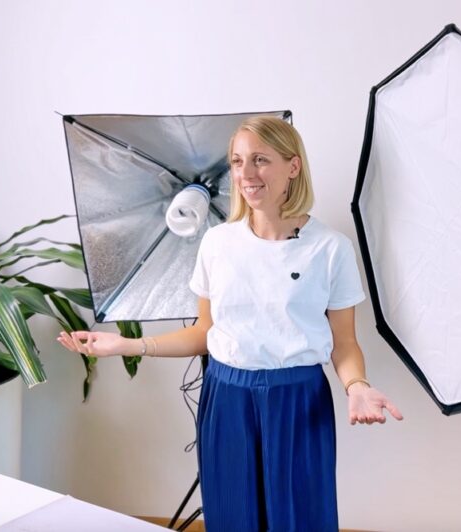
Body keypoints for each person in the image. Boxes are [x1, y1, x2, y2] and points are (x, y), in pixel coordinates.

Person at [57, 116, 403, 531]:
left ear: (293, 166)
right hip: (225, 396)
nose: (246, 174)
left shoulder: (330, 250)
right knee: (232, 517)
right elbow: (204, 333)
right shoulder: (216, 243)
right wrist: (124, 345)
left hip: (297, 397)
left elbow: (343, 343)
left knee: (300, 519)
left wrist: (357, 386)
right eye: (238, 161)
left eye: (260, 160)